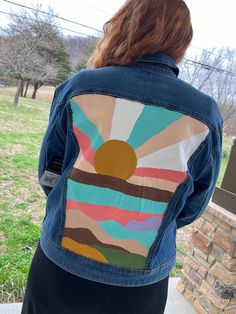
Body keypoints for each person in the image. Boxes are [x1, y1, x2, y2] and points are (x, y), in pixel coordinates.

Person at [21, 0, 223, 313]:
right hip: (140, 285)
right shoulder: (204, 113)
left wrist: (76, 205)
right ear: (181, 41)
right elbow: (194, 203)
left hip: (61, 266)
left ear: (124, 26)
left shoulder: (81, 88)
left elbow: (51, 172)